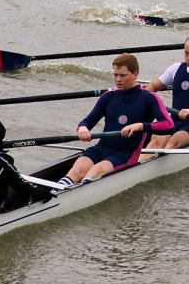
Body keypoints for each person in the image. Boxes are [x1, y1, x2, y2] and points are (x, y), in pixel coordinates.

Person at [58, 53, 173, 187]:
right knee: (76, 171)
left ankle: (74, 195)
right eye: (115, 75)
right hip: (101, 148)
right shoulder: (108, 97)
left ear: (135, 74)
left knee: (95, 171)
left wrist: (141, 126)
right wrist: (83, 129)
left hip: (124, 155)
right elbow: (86, 122)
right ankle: (54, 194)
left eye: (123, 75)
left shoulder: (149, 98)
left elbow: (168, 125)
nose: (118, 79)